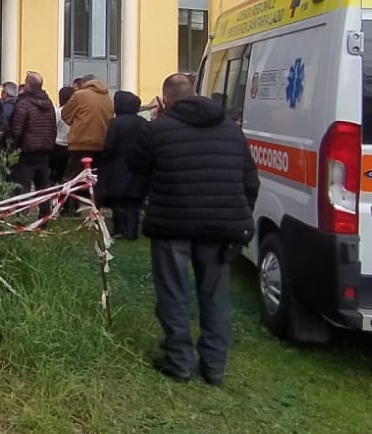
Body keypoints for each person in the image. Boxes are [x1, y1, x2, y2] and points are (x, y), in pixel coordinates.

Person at [127, 73, 259, 386]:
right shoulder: (232, 131)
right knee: (215, 295)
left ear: (165, 100)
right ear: (196, 93)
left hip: (173, 223)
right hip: (221, 227)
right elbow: (251, 182)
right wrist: (237, 216)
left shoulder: (157, 130)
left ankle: (179, 361)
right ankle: (214, 366)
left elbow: (136, 168)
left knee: (173, 292)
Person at [7, 71, 58, 219]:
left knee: (22, 186)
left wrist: (13, 148)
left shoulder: (23, 103)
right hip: (44, 151)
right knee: (43, 187)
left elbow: (17, 129)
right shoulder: (49, 103)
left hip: (26, 151)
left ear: (28, 85)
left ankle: (21, 217)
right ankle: (44, 217)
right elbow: (52, 127)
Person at [98, 91, 148, 240]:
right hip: (138, 166)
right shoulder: (143, 122)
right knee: (134, 201)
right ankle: (132, 231)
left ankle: (120, 229)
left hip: (118, 165)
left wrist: (104, 159)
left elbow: (109, 145)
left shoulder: (116, 123)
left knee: (118, 200)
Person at [52, 84, 74, 180]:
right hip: (72, 146)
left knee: (57, 174)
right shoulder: (76, 111)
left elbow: (54, 127)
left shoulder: (59, 111)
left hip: (58, 146)